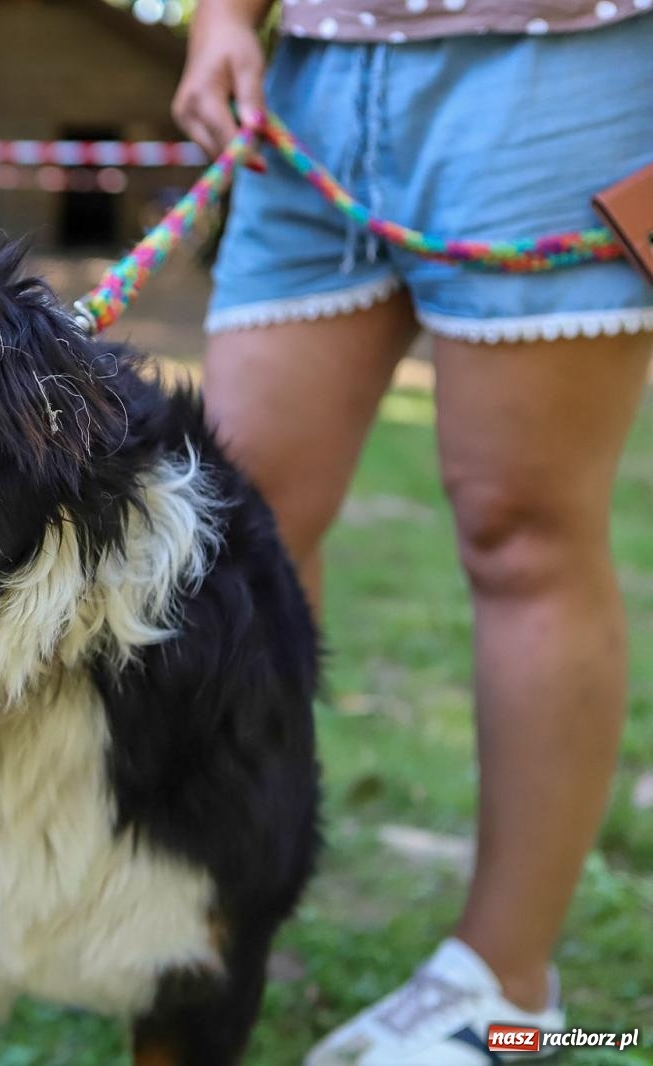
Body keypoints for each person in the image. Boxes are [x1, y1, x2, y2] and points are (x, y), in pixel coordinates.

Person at [174, 1, 652, 1062]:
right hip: (312, 79)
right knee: (235, 531)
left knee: (521, 528)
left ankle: (505, 991)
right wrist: (219, 18)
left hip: (567, 69)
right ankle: (202, 911)